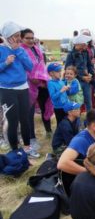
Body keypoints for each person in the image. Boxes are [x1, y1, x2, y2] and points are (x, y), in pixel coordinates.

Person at [0, 21, 37, 157]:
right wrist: (6, 63)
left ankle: (27, 148)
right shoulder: (1, 49)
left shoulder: (20, 49)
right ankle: (15, 150)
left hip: (22, 88)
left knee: (25, 119)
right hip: (6, 90)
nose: (18, 38)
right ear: (7, 36)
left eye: (18, 35)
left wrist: (17, 51)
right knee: (12, 121)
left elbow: (30, 66)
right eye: (14, 36)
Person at [21, 28, 53, 150]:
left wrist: (44, 79)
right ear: (22, 38)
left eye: (32, 37)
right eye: (27, 38)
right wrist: (32, 78)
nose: (30, 40)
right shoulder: (20, 51)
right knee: (29, 113)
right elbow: (23, 68)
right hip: (29, 84)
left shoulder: (36, 49)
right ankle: (31, 138)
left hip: (42, 82)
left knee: (45, 106)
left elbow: (41, 65)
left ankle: (48, 130)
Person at [65, 34, 94, 112]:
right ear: (78, 44)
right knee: (76, 100)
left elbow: (89, 65)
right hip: (75, 82)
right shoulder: (71, 54)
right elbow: (68, 70)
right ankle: (75, 117)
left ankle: (89, 119)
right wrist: (82, 77)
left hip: (86, 81)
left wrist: (91, 76)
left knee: (88, 101)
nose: (86, 45)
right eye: (85, 44)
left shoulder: (86, 52)